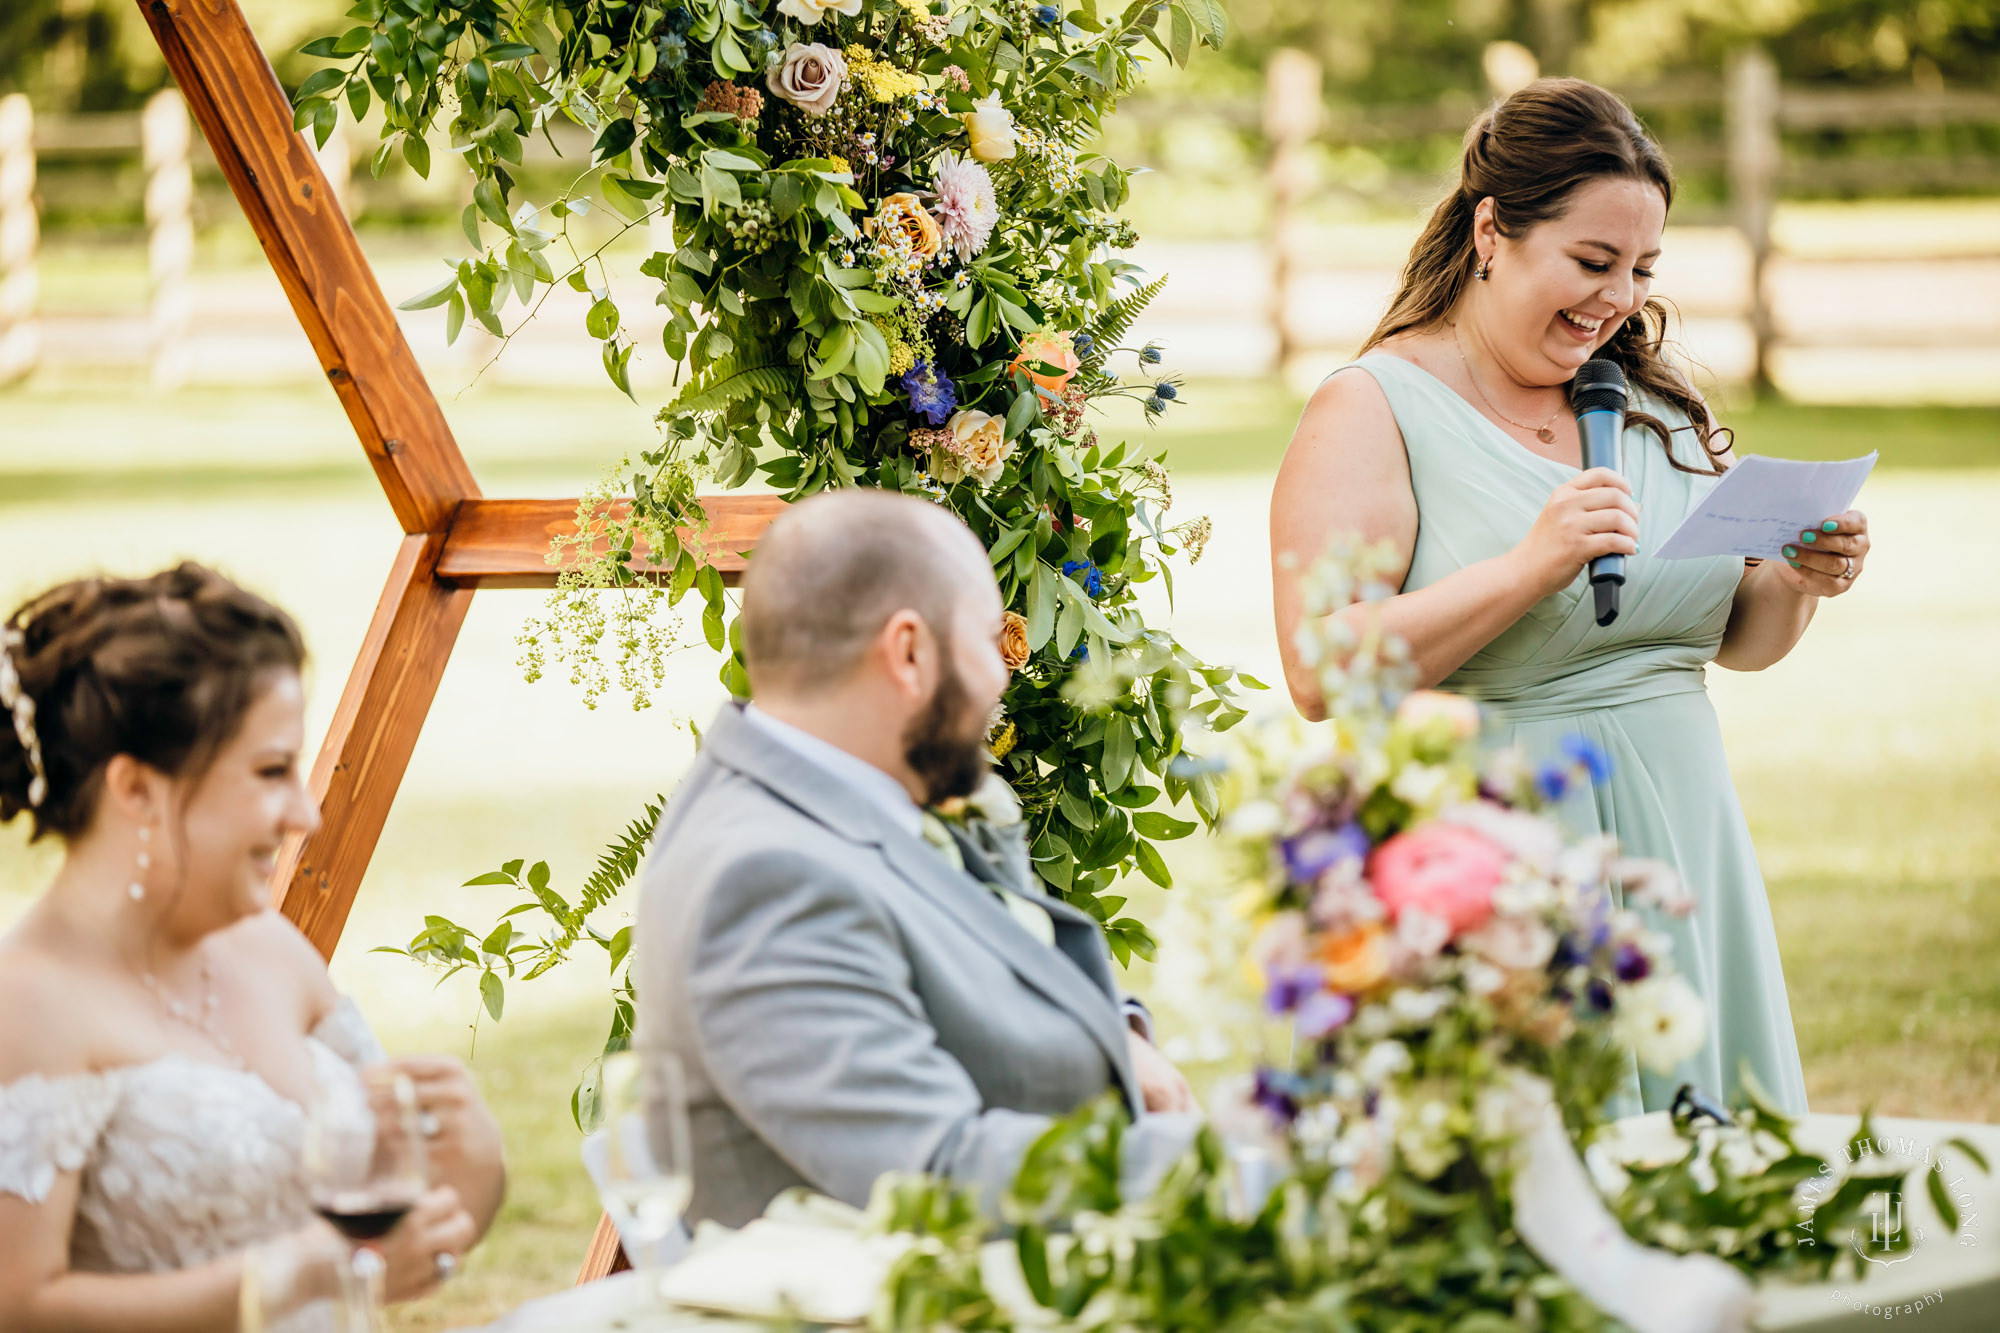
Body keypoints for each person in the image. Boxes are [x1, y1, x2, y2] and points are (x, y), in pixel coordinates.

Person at [1270, 79, 1861, 1119]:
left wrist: (1793, 581)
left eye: (1639, 268)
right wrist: (1522, 569)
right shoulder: (1371, 406)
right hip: (1503, 866)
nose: (1616, 297)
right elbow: (1320, 671)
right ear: (1491, 230)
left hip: (1685, 848)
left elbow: (1728, 640)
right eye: (1591, 262)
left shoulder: (1640, 400)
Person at [633, 490, 1199, 1227]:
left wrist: (1119, 1037)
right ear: (908, 652)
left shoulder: (840, 790)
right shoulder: (765, 876)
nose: (1001, 679)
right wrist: (1226, 1165)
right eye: (986, 642)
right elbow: (940, 1172)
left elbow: (985, 968)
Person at [0, 564, 507, 1331]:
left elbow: (390, 1246)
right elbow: (20, 1303)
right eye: (272, 771)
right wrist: (282, 1279)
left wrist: (475, 1161)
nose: (303, 810)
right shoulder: (30, 1002)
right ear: (136, 788)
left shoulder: (272, 951)